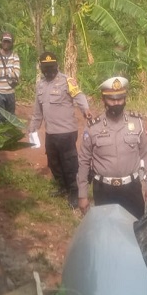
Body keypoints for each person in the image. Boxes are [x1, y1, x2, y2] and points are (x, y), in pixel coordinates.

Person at [77, 76, 147, 219]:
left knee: (134, 229)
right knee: (107, 231)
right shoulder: (93, 127)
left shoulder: (137, 123)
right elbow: (83, 161)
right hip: (104, 190)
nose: (116, 103)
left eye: (120, 99)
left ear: (125, 99)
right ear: (103, 100)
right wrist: (82, 194)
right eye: (112, 100)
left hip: (131, 188)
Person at [28, 52, 92, 208]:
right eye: (45, 68)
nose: (49, 71)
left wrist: (86, 110)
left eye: (51, 68)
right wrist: (33, 127)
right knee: (54, 161)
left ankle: (74, 191)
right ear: (41, 68)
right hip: (51, 132)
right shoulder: (40, 85)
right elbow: (38, 110)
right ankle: (62, 187)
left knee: (69, 163)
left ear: (57, 66)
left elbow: (79, 96)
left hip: (66, 131)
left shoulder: (67, 81)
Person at [0, 32, 21, 124]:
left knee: (11, 119)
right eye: (4, 41)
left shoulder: (15, 56)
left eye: (8, 42)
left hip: (10, 92)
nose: (6, 44)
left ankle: (9, 137)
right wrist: (10, 71)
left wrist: (2, 71)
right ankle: (1, 138)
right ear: (1, 42)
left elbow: (17, 74)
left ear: (11, 43)